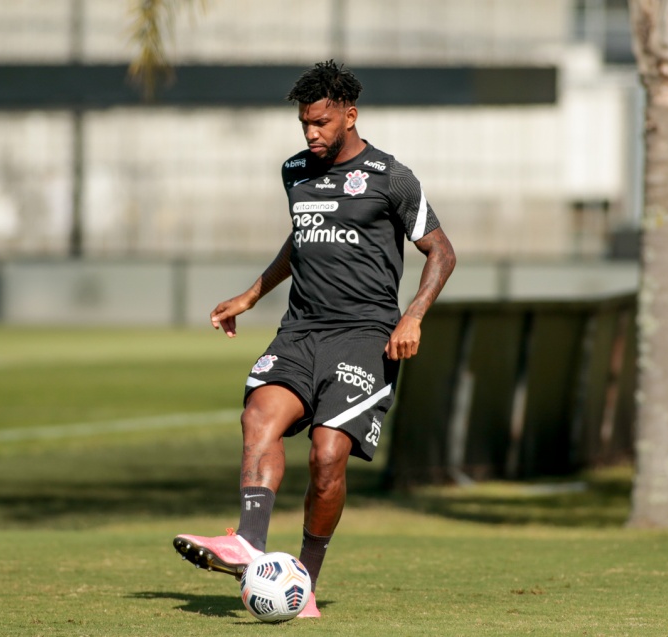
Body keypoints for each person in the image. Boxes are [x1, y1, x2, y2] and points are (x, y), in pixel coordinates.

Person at [173, 60, 456, 619]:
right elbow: (302, 238)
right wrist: (253, 294)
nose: (311, 133)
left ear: (350, 116)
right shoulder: (295, 172)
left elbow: (442, 252)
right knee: (259, 415)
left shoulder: (391, 177)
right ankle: (250, 542)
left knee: (328, 457)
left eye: (322, 123)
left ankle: (303, 581)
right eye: (305, 123)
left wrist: (413, 316)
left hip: (366, 335)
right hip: (300, 330)